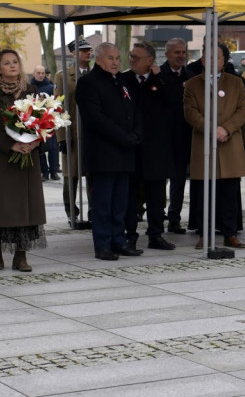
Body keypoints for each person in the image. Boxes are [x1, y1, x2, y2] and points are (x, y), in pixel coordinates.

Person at [0, 50, 47, 272]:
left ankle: (20, 255)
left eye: (15, 61)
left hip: (28, 156)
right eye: (6, 63)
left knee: (27, 205)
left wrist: (35, 141)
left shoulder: (31, 90)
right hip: (2, 158)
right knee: (3, 206)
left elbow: (43, 121)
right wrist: (12, 145)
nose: (12, 66)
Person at [77, 42, 143, 260]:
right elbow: (95, 119)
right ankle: (103, 244)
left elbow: (134, 110)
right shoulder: (88, 83)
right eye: (110, 58)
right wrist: (124, 138)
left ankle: (119, 241)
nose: (115, 62)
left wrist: (136, 133)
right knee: (103, 204)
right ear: (98, 59)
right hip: (104, 153)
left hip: (125, 153)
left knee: (120, 203)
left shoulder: (122, 81)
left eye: (117, 58)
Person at [184, 44, 245, 250]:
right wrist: (212, 129)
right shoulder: (193, 84)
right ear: (202, 61)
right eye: (208, 58)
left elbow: (243, 109)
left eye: (217, 57)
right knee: (205, 193)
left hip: (229, 143)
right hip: (204, 144)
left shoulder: (236, 82)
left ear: (224, 60)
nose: (213, 61)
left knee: (229, 192)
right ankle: (205, 233)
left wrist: (226, 129)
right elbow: (190, 112)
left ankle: (230, 233)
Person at [121, 41, 175, 252]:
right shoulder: (124, 80)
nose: (131, 60)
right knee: (131, 196)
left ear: (150, 60)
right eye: (131, 56)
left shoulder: (161, 80)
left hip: (157, 148)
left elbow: (172, 101)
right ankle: (130, 235)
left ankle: (156, 234)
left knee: (156, 196)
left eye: (136, 57)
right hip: (133, 147)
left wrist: (158, 77)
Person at [55, 38, 93, 229]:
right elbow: (59, 107)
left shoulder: (96, 74)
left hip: (93, 134)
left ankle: (94, 211)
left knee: (94, 175)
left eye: (89, 50)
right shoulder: (63, 76)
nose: (87, 53)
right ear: (72, 53)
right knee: (71, 177)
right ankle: (72, 212)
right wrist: (62, 137)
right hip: (73, 134)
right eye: (83, 50)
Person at [159, 37, 194, 234]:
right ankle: (157, 218)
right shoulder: (158, 75)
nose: (181, 56)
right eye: (177, 52)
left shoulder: (190, 76)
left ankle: (174, 219)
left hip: (182, 138)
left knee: (179, 182)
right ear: (167, 54)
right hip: (162, 138)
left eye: (183, 52)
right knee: (158, 182)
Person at [29, 65, 59, 181]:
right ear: (34, 74)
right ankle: (44, 172)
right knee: (40, 148)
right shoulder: (30, 88)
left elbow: (56, 103)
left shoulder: (51, 87)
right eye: (38, 73)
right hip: (35, 122)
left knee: (52, 148)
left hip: (49, 121)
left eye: (43, 73)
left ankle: (54, 171)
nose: (41, 75)